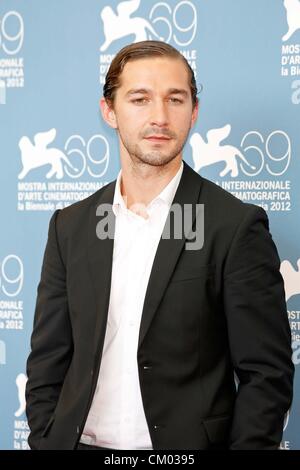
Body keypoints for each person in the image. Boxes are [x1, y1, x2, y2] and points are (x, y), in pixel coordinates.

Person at [25, 40, 294, 451]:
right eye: (140, 99)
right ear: (109, 111)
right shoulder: (71, 226)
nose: (160, 117)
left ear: (194, 112)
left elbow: (266, 376)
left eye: (175, 99)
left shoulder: (233, 226)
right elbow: (48, 361)